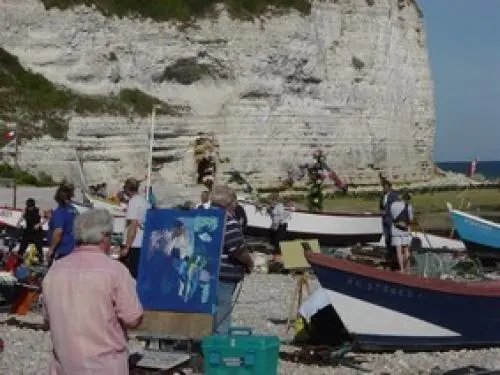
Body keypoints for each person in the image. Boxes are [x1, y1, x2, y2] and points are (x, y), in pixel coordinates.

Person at [42, 208, 143, 375]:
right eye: (110, 235)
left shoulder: (55, 271)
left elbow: (47, 319)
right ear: (103, 236)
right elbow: (132, 319)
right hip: (105, 365)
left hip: (65, 365)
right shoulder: (115, 271)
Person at [211, 185, 253, 335]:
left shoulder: (203, 215)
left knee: (208, 312)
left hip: (203, 272)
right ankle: (218, 348)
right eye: (235, 200)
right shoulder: (228, 220)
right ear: (230, 202)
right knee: (222, 314)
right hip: (223, 275)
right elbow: (237, 249)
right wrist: (249, 262)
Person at [121, 177, 148, 279]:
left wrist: (127, 246)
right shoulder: (144, 201)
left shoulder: (134, 202)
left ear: (127, 189)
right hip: (143, 243)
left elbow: (133, 226)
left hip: (135, 244)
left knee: (132, 276)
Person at [48, 184, 78, 262]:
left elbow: (58, 232)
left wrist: (51, 249)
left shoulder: (59, 212)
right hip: (74, 247)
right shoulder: (74, 210)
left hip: (63, 249)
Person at [390, 190, 414, 273]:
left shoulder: (393, 205)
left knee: (399, 251)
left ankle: (401, 269)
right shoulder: (409, 206)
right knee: (406, 250)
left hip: (396, 230)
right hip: (405, 230)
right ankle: (408, 268)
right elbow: (410, 219)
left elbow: (392, 216)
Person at [379, 175, 399, 267]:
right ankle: (389, 254)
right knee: (387, 237)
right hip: (384, 219)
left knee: (392, 237)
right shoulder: (383, 195)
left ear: (389, 187)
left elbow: (397, 206)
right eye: (383, 187)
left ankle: (395, 255)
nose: (384, 188)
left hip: (391, 219)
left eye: (385, 187)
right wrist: (382, 211)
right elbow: (381, 206)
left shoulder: (394, 195)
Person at [16, 198, 44, 263]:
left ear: (33, 206)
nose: (29, 208)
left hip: (37, 230)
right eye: (28, 207)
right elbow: (22, 217)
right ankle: (19, 259)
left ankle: (41, 259)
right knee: (23, 245)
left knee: (39, 246)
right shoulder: (25, 210)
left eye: (30, 207)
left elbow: (44, 219)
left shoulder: (38, 210)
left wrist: (39, 224)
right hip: (28, 230)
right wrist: (18, 223)